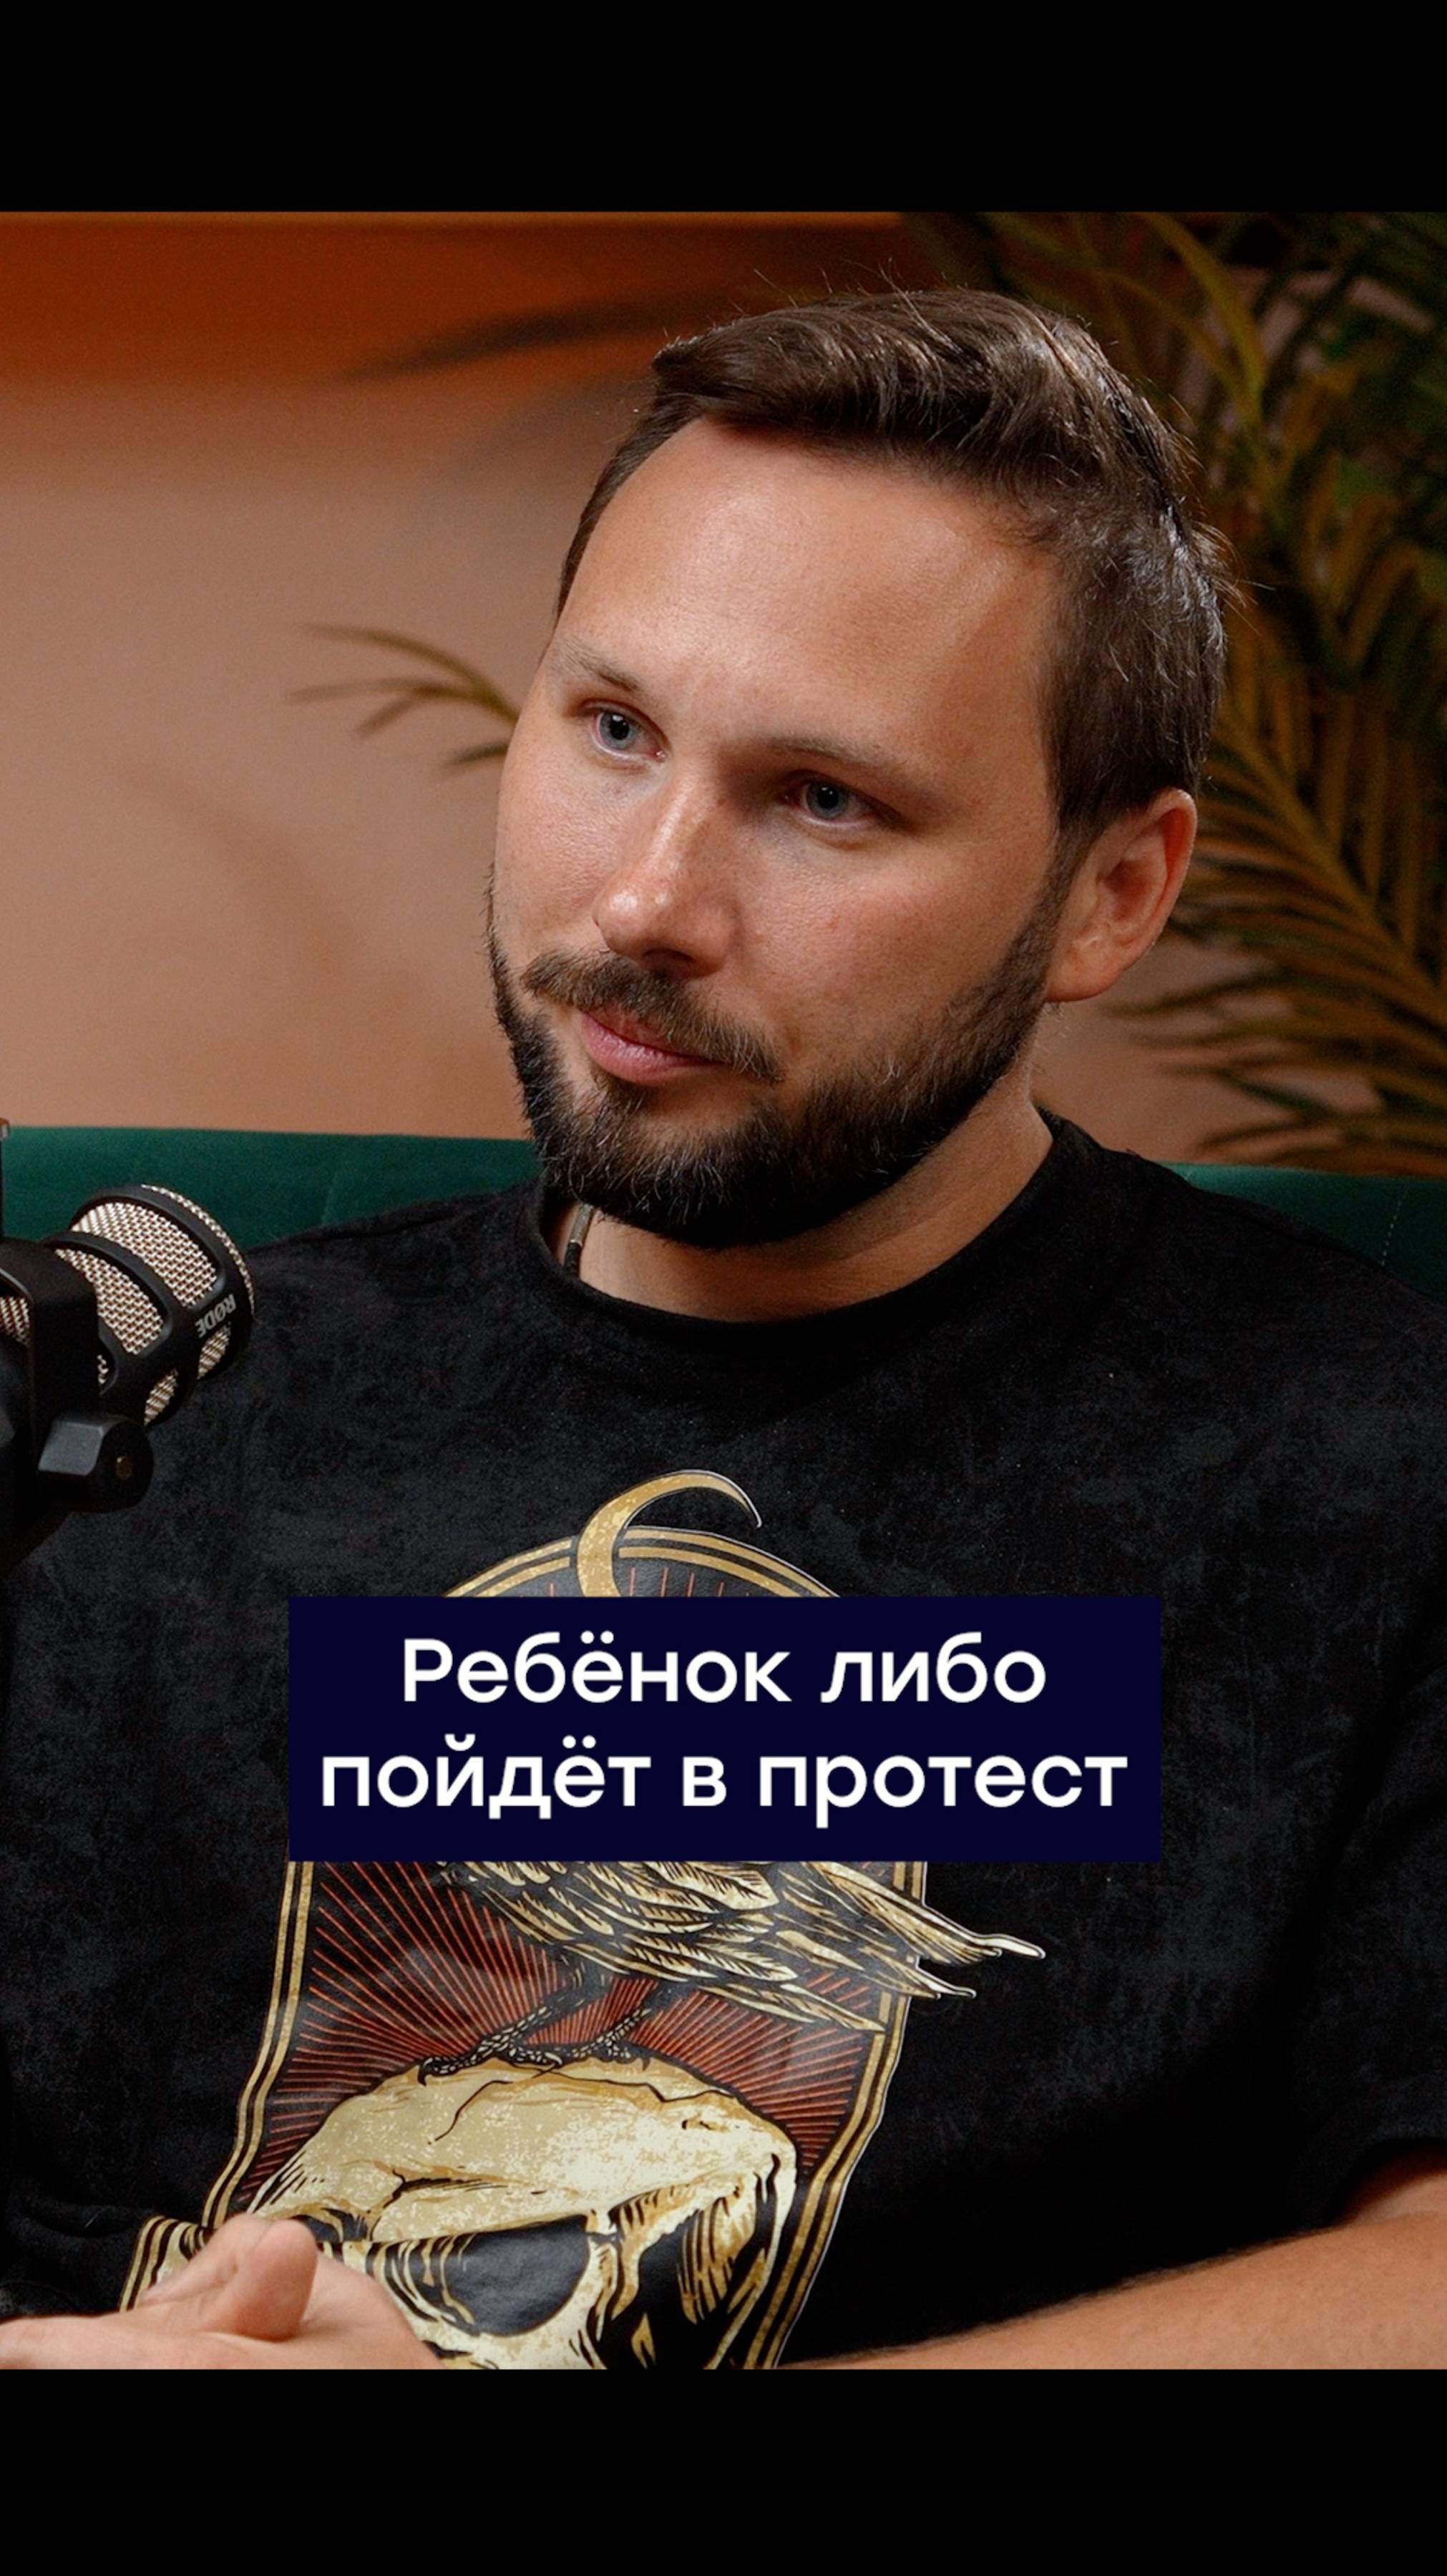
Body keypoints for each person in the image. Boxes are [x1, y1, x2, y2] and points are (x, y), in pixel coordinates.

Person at [2, 289, 1445, 2372]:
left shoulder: (1366, 1467)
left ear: (1112, 894)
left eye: (825, 799)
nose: (646, 903)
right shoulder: (146, 1396)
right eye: (614, 730)